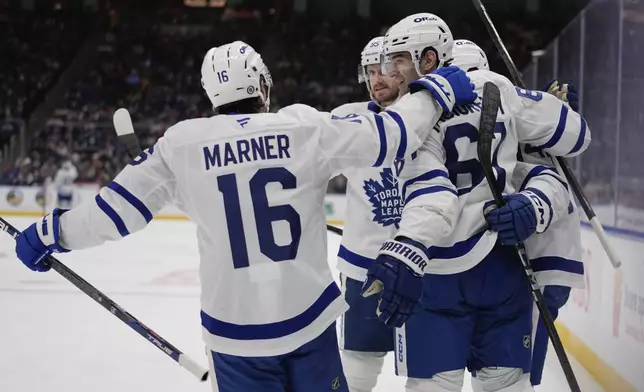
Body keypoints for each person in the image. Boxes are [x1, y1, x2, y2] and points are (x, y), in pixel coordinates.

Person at [14, 41, 477, 392]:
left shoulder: (181, 143)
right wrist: (434, 91)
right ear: (261, 85)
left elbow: (111, 216)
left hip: (235, 339)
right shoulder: (302, 125)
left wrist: (50, 232)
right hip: (311, 322)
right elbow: (392, 133)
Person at [364, 13, 592, 392]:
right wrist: (560, 115)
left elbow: (432, 196)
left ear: (430, 58)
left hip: (438, 273)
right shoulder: (495, 86)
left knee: (434, 386)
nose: (392, 72)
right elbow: (576, 136)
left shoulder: (410, 115)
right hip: (503, 263)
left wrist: (407, 250)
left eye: (399, 59)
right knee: (506, 386)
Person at [452, 39, 585, 388]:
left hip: (534, 252)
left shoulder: (503, 106)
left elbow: (542, 174)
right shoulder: (507, 107)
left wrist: (550, 126)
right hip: (516, 255)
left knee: (510, 367)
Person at [332, 36, 404, 392]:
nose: (376, 79)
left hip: (424, 269)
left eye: (385, 70)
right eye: (370, 71)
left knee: (432, 377)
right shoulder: (349, 119)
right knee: (356, 375)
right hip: (363, 269)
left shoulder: (432, 118)